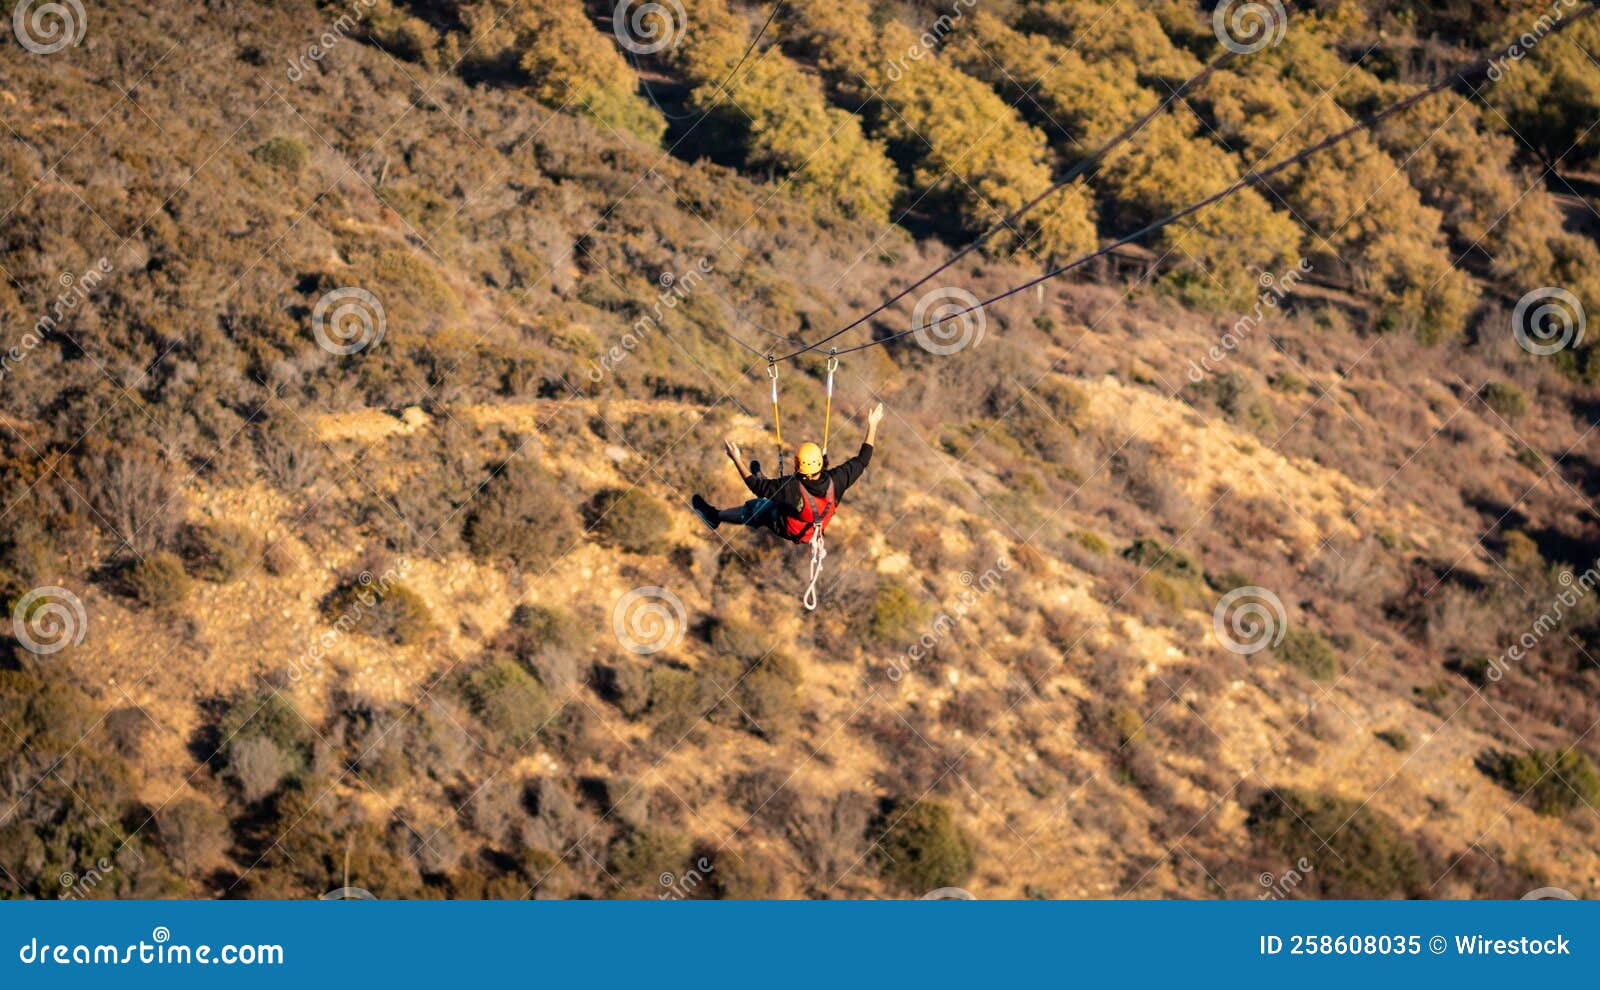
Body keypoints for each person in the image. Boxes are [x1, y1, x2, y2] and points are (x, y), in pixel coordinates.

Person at [692, 402, 884, 542]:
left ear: (798, 465)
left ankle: (714, 517)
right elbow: (863, 459)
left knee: (760, 506)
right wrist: (873, 425)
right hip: (811, 529)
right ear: (822, 462)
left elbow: (754, 485)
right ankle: (768, 486)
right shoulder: (838, 479)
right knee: (774, 492)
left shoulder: (792, 488)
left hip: (789, 527)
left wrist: (736, 459)